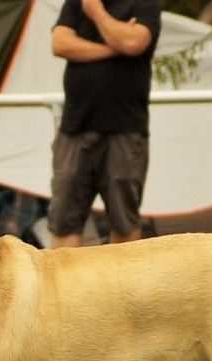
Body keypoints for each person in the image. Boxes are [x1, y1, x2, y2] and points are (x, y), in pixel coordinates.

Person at [47, 0, 161, 248]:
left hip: (126, 130)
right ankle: (64, 288)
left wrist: (97, 13)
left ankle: (119, 288)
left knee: (124, 223)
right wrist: (114, 45)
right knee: (64, 221)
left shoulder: (145, 3)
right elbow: (60, 43)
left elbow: (134, 43)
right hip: (75, 127)